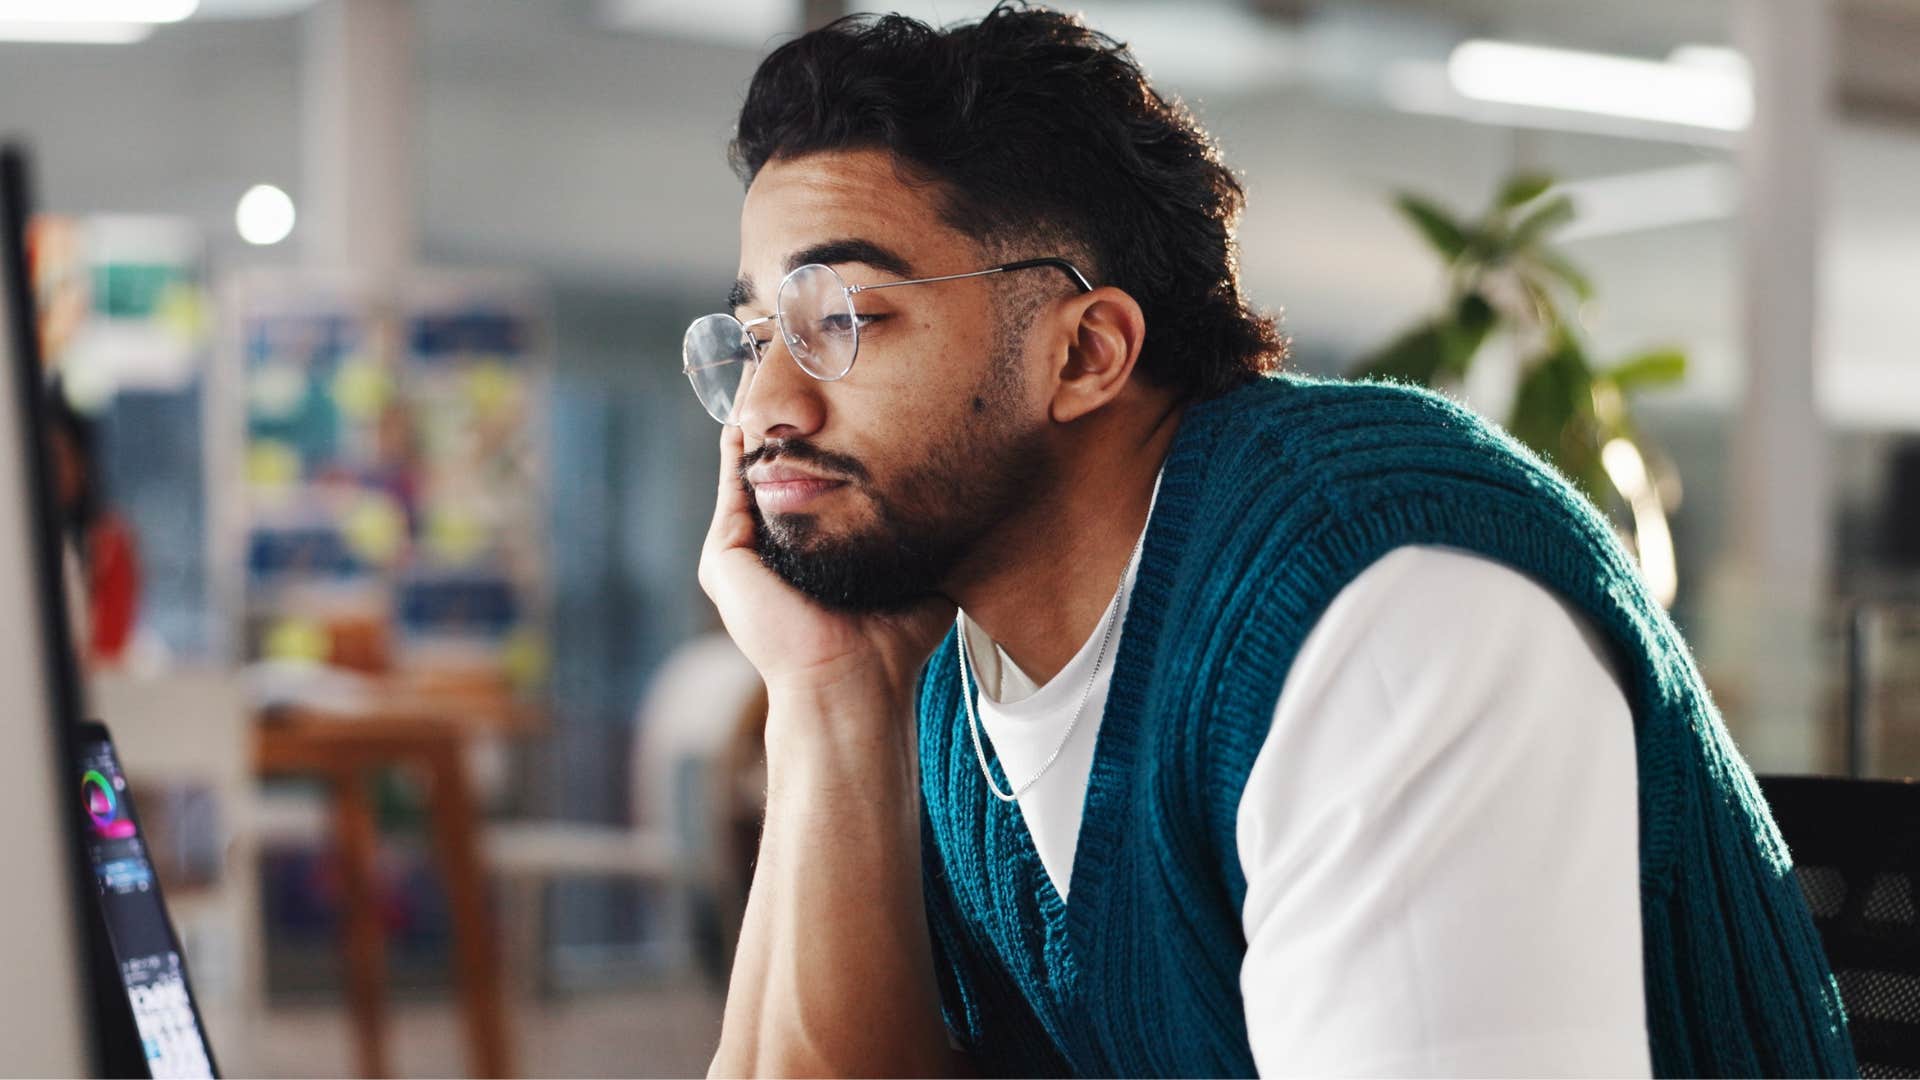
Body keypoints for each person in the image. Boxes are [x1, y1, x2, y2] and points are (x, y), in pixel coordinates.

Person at [688, 6, 1853, 1076]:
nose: (764, 407)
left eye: (842, 318)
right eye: (755, 336)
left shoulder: (1378, 602)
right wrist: (830, 697)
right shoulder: (952, 669)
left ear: (1085, 352)